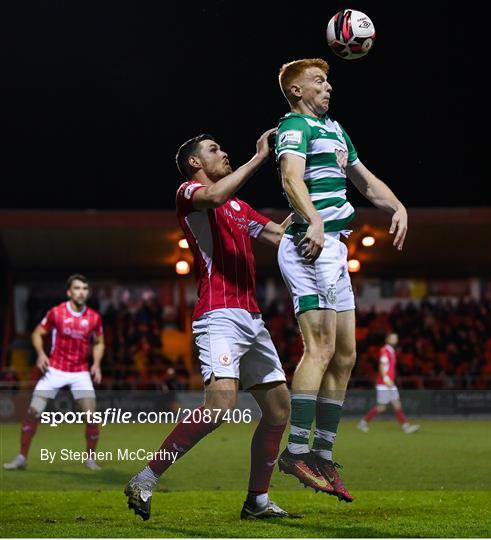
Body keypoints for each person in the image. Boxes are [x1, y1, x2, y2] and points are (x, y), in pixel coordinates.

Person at [124, 129, 299, 521]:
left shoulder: (239, 207)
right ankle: (145, 478)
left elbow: (279, 235)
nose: (224, 154)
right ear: (195, 163)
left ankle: (257, 501)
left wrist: (317, 218)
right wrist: (258, 158)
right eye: (214, 150)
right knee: (219, 406)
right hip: (217, 315)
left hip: (252, 318)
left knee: (278, 411)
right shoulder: (189, 193)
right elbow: (215, 195)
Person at [274, 58, 408, 501]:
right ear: (296, 91)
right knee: (323, 348)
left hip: (334, 247)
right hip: (309, 244)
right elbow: (291, 179)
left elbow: (365, 182)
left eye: (328, 79)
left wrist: (398, 206)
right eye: (318, 81)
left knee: (347, 355)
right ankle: (294, 451)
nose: (327, 86)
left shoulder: (335, 129)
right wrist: (312, 220)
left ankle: (322, 455)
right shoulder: (295, 126)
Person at [3, 274, 105, 471]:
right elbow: (37, 333)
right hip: (55, 370)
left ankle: (90, 458)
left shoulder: (93, 317)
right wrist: (41, 354)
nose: (81, 292)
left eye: (84, 288)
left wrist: (97, 364)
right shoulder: (56, 313)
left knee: (92, 417)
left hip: (80, 372)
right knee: (33, 412)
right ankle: (22, 457)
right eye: (77, 288)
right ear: (69, 292)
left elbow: (100, 342)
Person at [357, 333, 420, 433]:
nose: (395, 339)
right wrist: (386, 379)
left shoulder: (391, 351)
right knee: (381, 407)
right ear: (387, 339)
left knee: (397, 404)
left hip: (389, 383)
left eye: (396, 338)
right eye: (393, 338)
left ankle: (406, 427)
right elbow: (382, 365)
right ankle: (363, 423)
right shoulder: (385, 350)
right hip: (384, 383)